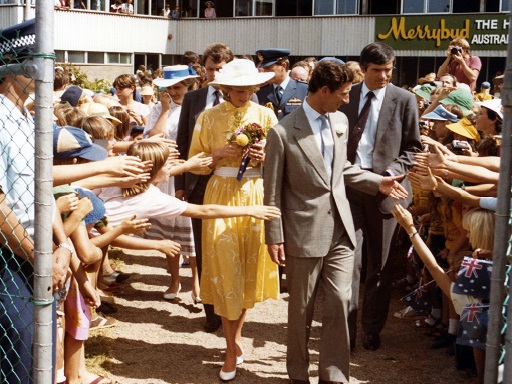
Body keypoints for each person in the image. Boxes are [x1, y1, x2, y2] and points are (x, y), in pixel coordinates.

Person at [264, 60, 409, 384]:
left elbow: (340, 169)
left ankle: (334, 376)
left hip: (342, 229)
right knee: (300, 312)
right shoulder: (282, 132)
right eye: (343, 93)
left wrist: (376, 182)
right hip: (303, 233)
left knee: (341, 302)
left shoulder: (340, 121)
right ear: (325, 91)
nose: (348, 100)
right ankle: (298, 375)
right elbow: (271, 192)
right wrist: (274, 236)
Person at [188, 59, 279, 382]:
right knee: (227, 270)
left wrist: (265, 156)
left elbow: (280, 160)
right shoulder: (208, 117)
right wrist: (217, 155)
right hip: (221, 193)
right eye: (238, 90)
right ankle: (229, 347)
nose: (244, 95)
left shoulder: (266, 115)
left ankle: (235, 336)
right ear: (224, 88)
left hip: (255, 192)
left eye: (249, 89)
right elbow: (194, 162)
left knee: (247, 270)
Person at [338, 42, 421, 352]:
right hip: (351, 189)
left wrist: (389, 174)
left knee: (381, 266)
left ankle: (372, 328)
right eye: (377, 71)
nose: (384, 76)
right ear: (363, 70)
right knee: (349, 262)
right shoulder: (347, 96)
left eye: (389, 70)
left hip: (389, 192)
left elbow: (414, 148)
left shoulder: (405, 100)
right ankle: (345, 332)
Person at [175, 42, 234, 333]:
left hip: (232, 183)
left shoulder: (243, 99)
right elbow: (182, 143)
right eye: (210, 69)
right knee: (204, 248)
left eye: (220, 69)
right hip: (198, 183)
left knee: (229, 245)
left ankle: (231, 307)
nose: (215, 74)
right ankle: (211, 311)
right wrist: (180, 184)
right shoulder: (193, 98)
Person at [143, 65, 199, 301]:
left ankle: (197, 282)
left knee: (192, 229)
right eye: (170, 88)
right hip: (166, 171)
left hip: (188, 168)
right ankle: (174, 280)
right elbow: (152, 138)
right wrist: (165, 109)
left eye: (178, 87)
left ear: (189, 86)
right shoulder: (158, 108)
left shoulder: (196, 107)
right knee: (170, 228)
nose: (174, 92)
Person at [256, 48, 308, 120]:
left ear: (283, 66)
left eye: (268, 68)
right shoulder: (260, 92)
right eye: (264, 68)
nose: (265, 72)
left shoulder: (304, 90)